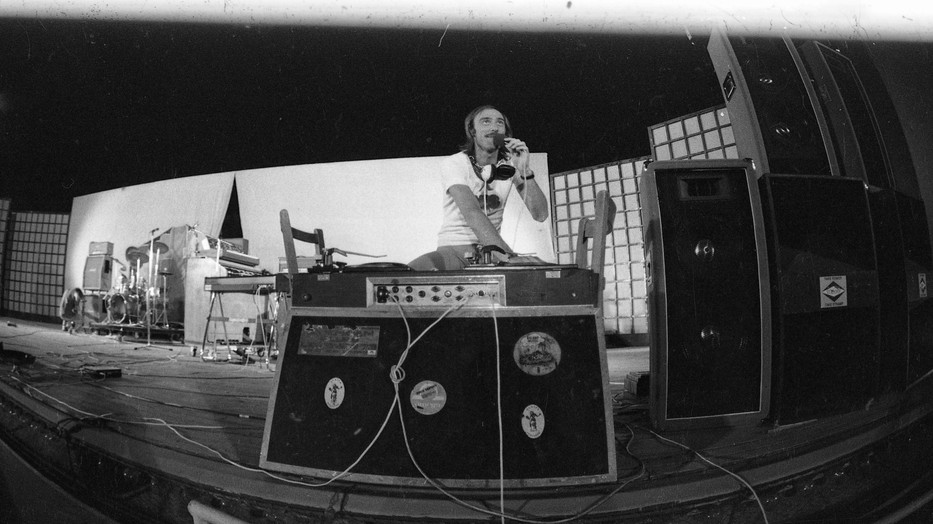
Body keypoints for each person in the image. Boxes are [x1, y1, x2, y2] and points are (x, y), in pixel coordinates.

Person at [409, 105, 549, 270]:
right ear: (472, 131)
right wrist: (508, 257)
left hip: (492, 252)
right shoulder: (455, 163)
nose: (494, 127)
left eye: (499, 123)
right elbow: (472, 211)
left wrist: (525, 170)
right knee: (407, 273)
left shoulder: (509, 165)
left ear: (505, 134)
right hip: (454, 250)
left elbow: (541, 214)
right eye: (486, 122)